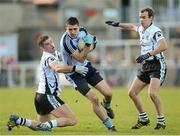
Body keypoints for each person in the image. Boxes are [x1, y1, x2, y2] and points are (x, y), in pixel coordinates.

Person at [7, 34, 89, 131]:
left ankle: (19, 120)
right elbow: (57, 68)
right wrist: (75, 68)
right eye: (47, 44)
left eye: (51, 42)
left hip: (40, 96)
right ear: (42, 48)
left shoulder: (55, 54)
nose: (52, 45)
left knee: (41, 126)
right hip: (47, 96)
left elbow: (73, 57)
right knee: (72, 119)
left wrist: (85, 48)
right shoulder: (48, 57)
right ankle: (48, 126)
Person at [105, 6, 167, 130]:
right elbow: (131, 26)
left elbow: (164, 46)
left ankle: (161, 121)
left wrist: (147, 54)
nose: (141, 20)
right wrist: (117, 24)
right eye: (140, 17)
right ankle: (143, 118)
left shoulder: (155, 31)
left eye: (144, 17)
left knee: (152, 94)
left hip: (157, 64)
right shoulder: (141, 29)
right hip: (146, 65)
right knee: (132, 93)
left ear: (151, 18)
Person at [59, 17, 116, 132]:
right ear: (66, 29)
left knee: (108, 93)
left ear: (79, 27)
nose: (73, 32)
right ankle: (110, 126)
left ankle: (107, 105)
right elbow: (80, 58)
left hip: (86, 67)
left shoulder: (83, 31)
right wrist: (88, 46)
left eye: (75, 29)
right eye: (70, 29)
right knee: (94, 99)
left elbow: (91, 41)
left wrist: (93, 42)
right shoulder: (66, 42)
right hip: (74, 73)